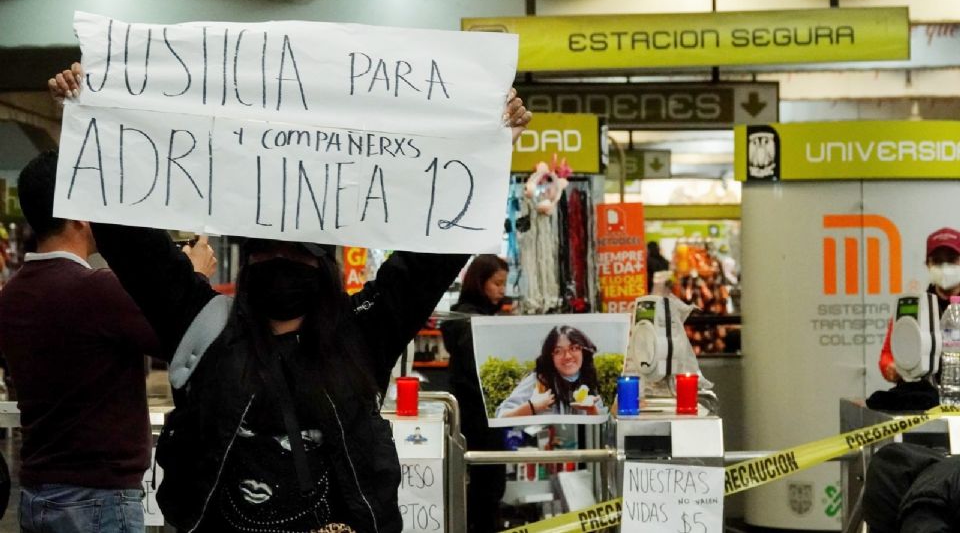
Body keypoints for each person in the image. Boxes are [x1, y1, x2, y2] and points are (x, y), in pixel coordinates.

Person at [50, 65, 532, 533]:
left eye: (297, 256)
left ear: (323, 268)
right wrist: (85, 119)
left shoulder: (365, 332)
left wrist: (488, 152)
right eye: (268, 253)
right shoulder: (201, 324)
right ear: (249, 261)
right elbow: (134, 248)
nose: (282, 264)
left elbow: (429, 261)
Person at [0, 150, 214, 533]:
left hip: (37, 493)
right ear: (81, 213)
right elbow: (185, 337)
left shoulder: (12, 293)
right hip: (98, 500)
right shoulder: (96, 290)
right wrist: (192, 277)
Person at [440, 254, 509, 533]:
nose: (502, 290)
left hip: (479, 413)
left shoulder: (468, 316)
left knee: (482, 486)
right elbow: (479, 368)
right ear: (481, 283)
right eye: (496, 283)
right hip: (479, 414)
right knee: (486, 487)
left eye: (504, 284)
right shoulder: (470, 319)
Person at [871, 228, 960, 410]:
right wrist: (891, 367)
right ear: (927, 264)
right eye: (937, 261)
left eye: (951, 260)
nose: (944, 267)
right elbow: (888, 354)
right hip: (923, 406)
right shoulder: (914, 305)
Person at [496, 326, 607, 418]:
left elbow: (602, 427)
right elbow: (501, 416)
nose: (567, 356)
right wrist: (532, 406)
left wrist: (591, 409)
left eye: (573, 348)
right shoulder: (539, 381)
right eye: (558, 351)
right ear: (550, 357)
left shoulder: (587, 381)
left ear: (583, 352)